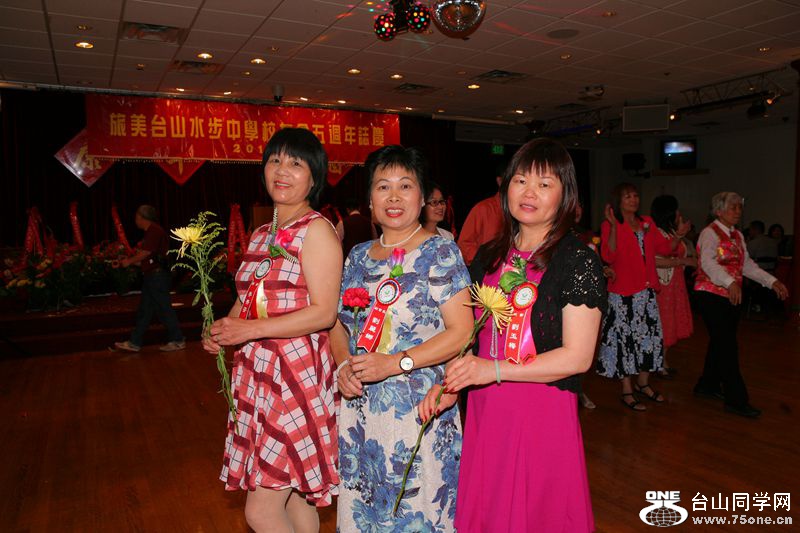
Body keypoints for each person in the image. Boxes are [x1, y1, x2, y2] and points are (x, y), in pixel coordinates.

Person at [420, 138, 606, 532]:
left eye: (544, 184)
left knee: (536, 512)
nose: (529, 192)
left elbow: (577, 357)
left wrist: (493, 370)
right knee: (491, 508)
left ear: (565, 195)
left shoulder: (577, 260)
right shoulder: (489, 256)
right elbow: (469, 335)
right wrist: (450, 383)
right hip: (487, 407)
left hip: (541, 408)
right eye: (521, 180)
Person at [202, 128, 342, 532]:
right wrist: (222, 329)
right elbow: (248, 297)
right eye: (275, 160)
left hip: (294, 378)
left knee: (260, 511)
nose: (282, 170)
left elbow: (324, 313)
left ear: (314, 178)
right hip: (259, 374)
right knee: (295, 496)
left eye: (296, 163)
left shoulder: (316, 230)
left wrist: (248, 331)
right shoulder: (263, 233)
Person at [331, 145, 473, 531]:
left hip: (419, 410)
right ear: (370, 200)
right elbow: (337, 325)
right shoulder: (357, 257)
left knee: (417, 514)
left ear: (422, 197)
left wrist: (395, 363)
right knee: (367, 514)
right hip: (361, 413)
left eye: (405, 186)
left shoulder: (440, 252)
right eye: (383, 187)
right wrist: (343, 365)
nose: (393, 197)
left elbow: (463, 333)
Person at [693, 192, 788, 418]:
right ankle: (736, 400)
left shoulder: (737, 235)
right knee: (727, 346)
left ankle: (707, 385)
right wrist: (729, 282)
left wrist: (771, 281)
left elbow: (747, 265)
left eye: (739, 207)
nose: (738, 211)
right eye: (733, 207)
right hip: (710, 294)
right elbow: (707, 263)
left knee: (720, 341)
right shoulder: (709, 233)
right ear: (718, 211)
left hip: (731, 295)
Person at [596, 183, 689, 411]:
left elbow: (665, 248)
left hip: (646, 292)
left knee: (649, 339)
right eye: (628, 196)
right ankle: (627, 390)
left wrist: (678, 235)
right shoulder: (610, 225)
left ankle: (643, 384)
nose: (633, 199)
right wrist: (614, 228)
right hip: (622, 293)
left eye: (636, 195)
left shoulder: (646, 222)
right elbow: (608, 255)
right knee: (625, 342)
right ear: (618, 201)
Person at [113, 205, 185, 352]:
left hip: (157, 277)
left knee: (163, 308)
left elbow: (145, 253)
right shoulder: (152, 231)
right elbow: (147, 259)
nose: (135, 220)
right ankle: (135, 342)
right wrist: (125, 262)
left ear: (142, 218)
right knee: (145, 311)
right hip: (153, 276)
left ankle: (178, 340)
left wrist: (129, 261)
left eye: (136, 217)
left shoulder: (154, 231)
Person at [651, 195, 695, 378]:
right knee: (664, 322)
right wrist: (682, 261)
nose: (679, 213)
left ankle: (662, 361)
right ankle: (659, 362)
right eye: (676, 210)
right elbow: (654, 261)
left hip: (675, 283)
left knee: (670, 322)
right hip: (664, 285)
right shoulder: (655, 232)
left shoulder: (670, 232)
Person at [456, 160, 505, 264]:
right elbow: (464, 244)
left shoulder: (522, 211)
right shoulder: (483, 208)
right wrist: (485, 262)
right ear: (500, 181)